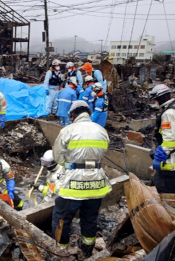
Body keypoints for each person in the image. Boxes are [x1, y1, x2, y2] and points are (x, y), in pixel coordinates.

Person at [52, 100, 112, 257]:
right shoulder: (101, 130)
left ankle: (61, 251)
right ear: (88, 113)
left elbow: (58, 158)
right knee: (90, 218)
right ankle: (87, 250)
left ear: (73, 114)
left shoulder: (68, 130)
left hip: (73, 184)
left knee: (62, 218)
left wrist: (71, 165)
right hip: (96, 183)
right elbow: (102, 153)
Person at [149, 84, 175, 194]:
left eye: (156, 100)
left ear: (161, 97)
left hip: (170, 160)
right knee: (170, 186)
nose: (155, 102)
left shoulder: (169, 113)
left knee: (163, 192)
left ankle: (165, 210)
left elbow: (170, 139)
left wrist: (159, 156)